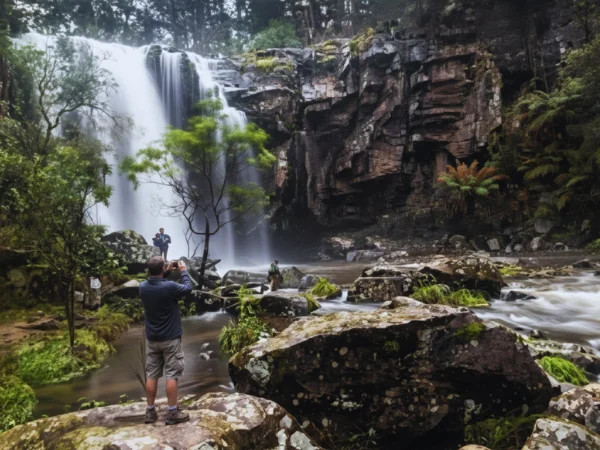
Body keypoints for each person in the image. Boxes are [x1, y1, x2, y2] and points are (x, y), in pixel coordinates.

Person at [140, 256, 193, 425]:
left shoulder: (142, 287)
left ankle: (150, 411)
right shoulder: (169, 287)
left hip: (152, 338)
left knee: (152, 374)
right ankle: (172, 412)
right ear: (162, 268)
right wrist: (183, 271)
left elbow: (157, 284)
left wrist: (168, 271)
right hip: (170, 338)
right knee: (172, 374)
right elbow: (188, 288)